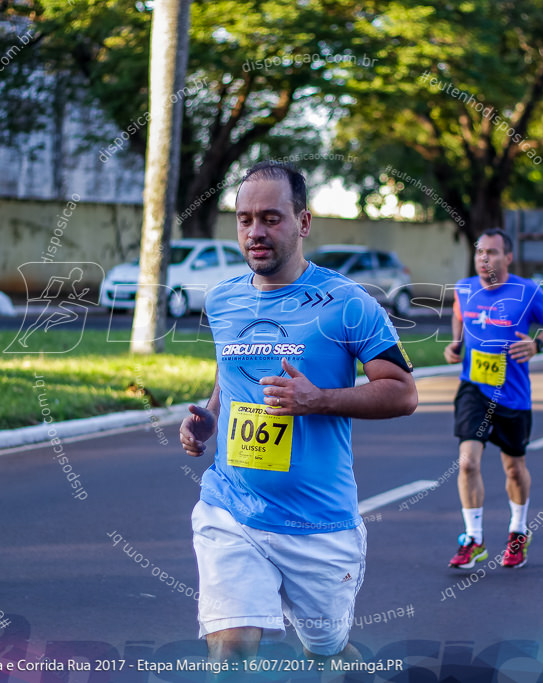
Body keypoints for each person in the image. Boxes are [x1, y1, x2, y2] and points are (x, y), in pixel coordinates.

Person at [179, 161, 418, 662]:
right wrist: (209, 416)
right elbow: (232, 372)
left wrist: (319, 399)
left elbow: (402, 392)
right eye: (244, 219)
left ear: (303, 222)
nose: (255, 232)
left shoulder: (348, 304)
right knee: (231, 649)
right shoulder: (223, 300)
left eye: (271, 217)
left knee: (328, 653)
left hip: (320, 522)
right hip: (232, 507)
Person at [444, 229, 543, 569]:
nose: (484, 259)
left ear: (508, 258)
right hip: (473, 388)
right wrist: (456, 343)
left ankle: (517, 531)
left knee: (514, 469)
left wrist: (538, 344)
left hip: (512, 394)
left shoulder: (527, 291)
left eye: (492, 253)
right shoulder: (465, 287)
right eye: (480, 252)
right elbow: (459, 312)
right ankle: (474, 538)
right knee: (467, 462)